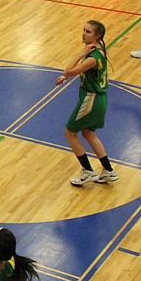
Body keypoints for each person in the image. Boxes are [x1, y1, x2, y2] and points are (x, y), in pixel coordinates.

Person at [57, 20, 117, 186]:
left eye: (88, 32)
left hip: (91, 99)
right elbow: (78, 72)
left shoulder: (91, 57)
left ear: (97, 36)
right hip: (99, 99)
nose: (83, 33)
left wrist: (80, 54)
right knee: (88, 133)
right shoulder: (98, 51)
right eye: (84, 30)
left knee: (70, 133)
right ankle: (108, 170)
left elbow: (69, 69)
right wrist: (66, 77)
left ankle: (87, 171)